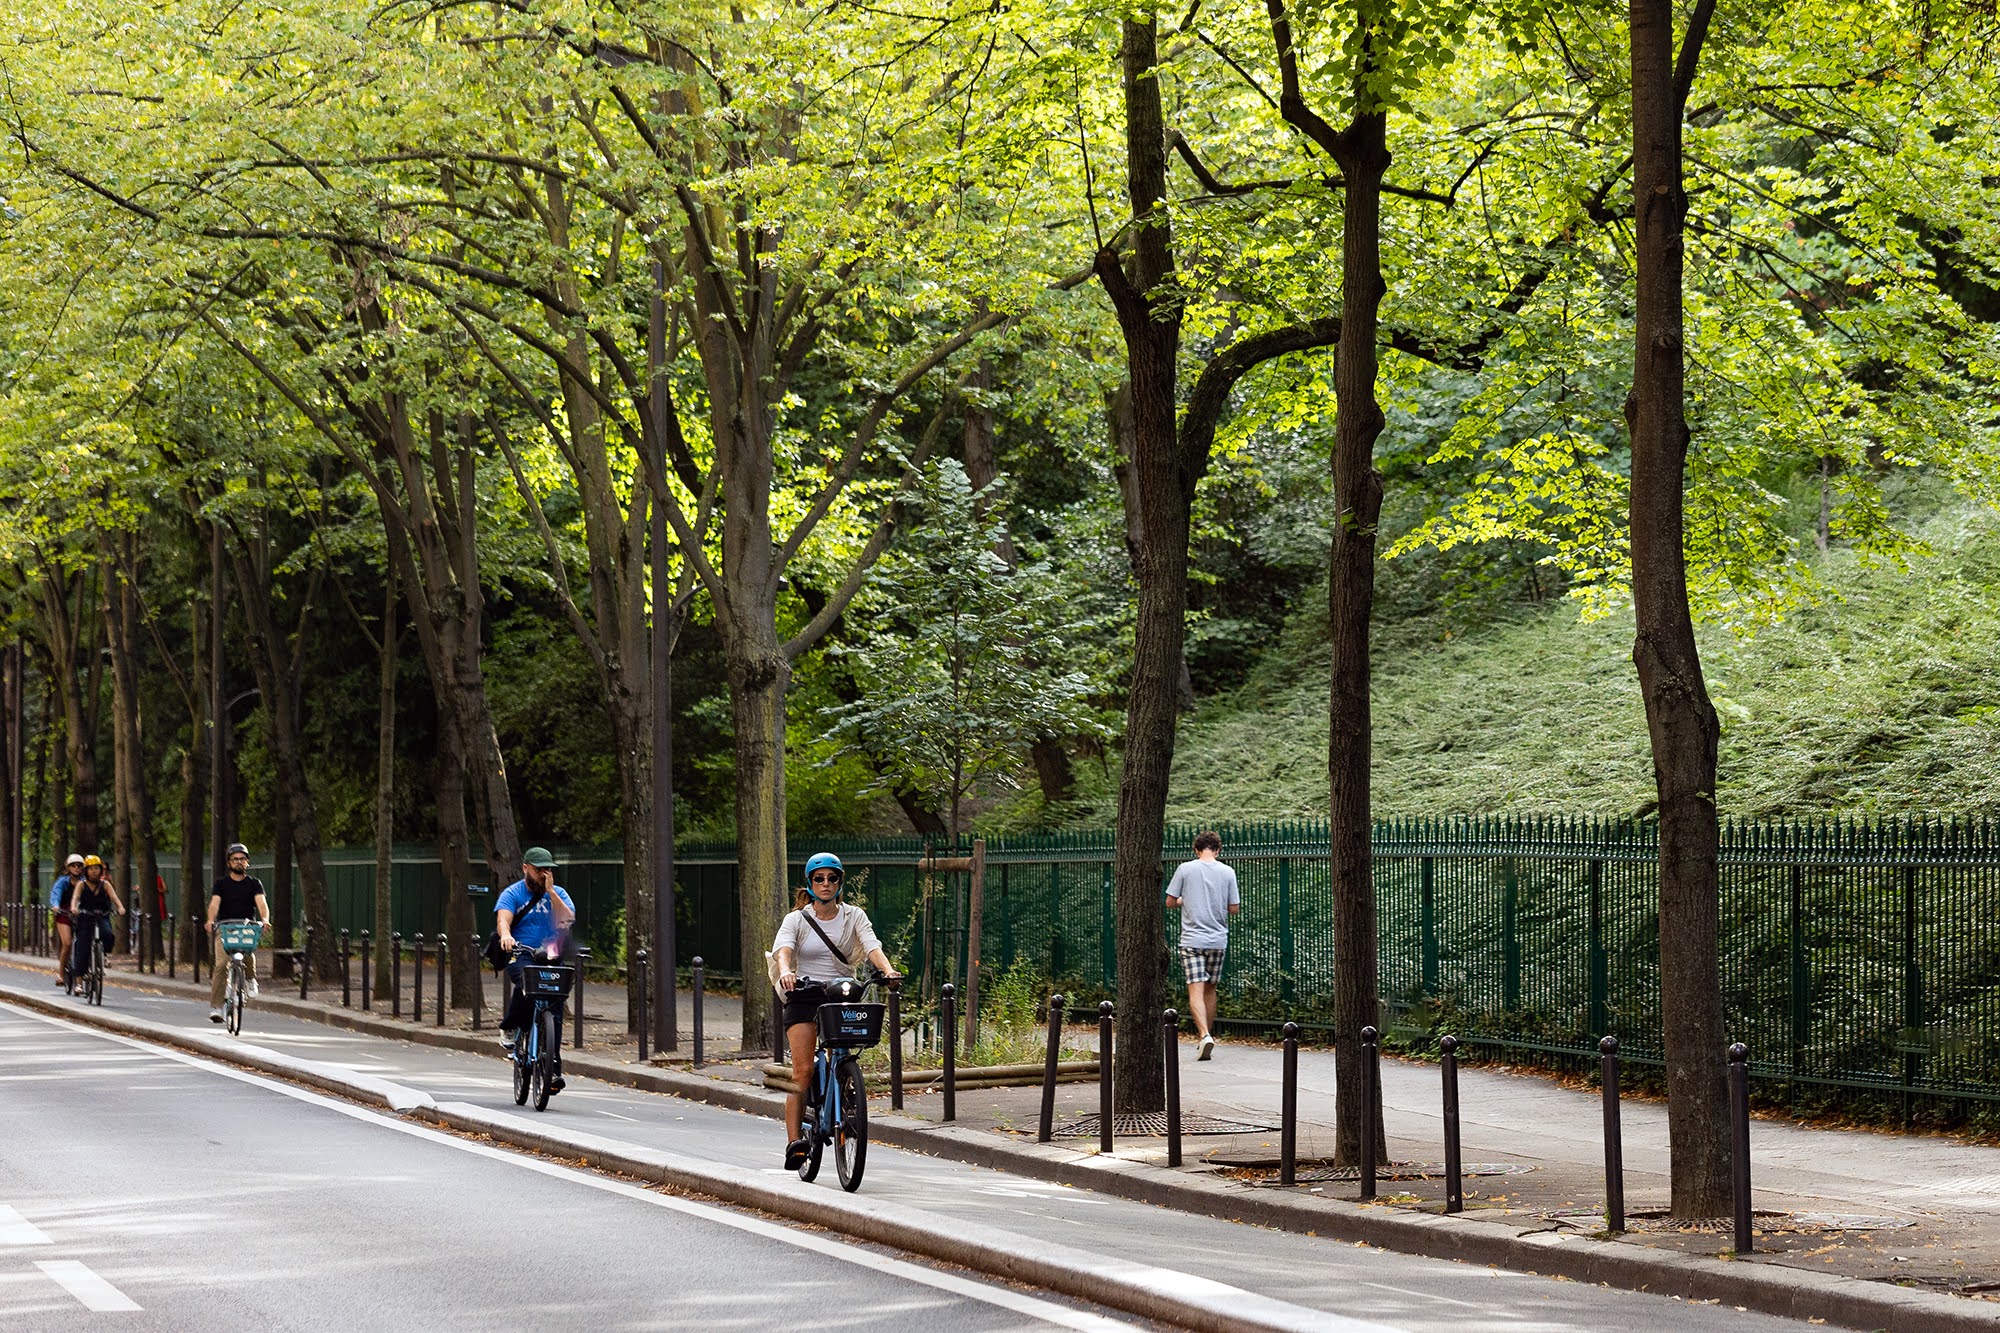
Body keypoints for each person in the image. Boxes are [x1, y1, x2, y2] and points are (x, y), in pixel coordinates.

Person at [770, 852, 899, 1170]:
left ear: (840, 882)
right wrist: (786, 970)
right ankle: (795, 1142)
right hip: (804, 994)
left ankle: (844, 1088)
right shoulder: (797, 919)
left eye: (832, 878)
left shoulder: (854, 916)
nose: (825, 884)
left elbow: (871, 946)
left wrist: (888, 970)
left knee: (843, 1055)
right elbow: (783, 950)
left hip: (842, 994)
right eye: (819, 878)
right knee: (802, 1071)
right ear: (810, 883)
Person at [494, 846, 576, 1084]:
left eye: (548, 869)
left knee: (555, 1008)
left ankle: (552, 1070)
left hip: (550, 953)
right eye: (539, 869)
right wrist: (506, 937)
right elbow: (503, 920)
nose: (543, 874)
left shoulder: (558, 893)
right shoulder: (513, 893)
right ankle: (510, 1026)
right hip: (520, 952)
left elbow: (567, 920)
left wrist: (551, 892)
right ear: (525, 868)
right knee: (525, 984)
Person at [1164, 830, 1240, 1061]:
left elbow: (1169, 901)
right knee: (1210, 988)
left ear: (1196, 850)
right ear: (1218, 850)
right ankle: (1209, 1034)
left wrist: (1185, 899)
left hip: (1192, 940)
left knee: (1194, 987)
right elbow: (1234, 907)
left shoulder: (1185, 869)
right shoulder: (1228, 872)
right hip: (1218, 940)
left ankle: (1204, 1034)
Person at [206, 842, 271, 1022]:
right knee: (221, 966)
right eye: (235, 860)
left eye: (242, 859)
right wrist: (211, 920)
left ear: (247, 862)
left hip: (247, 926)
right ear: (229, 863)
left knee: (248, 951)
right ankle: (217, 1007)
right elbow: (214, 904)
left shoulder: (254, 884)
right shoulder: (221, 884)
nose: (239, 862)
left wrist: (264, 919)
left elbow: (262, 904)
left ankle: (250, 978)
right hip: (226, 928)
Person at [67, 855, 125, 985]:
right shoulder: (81, 884)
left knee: (108, 934)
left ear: (100, 870)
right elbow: (75, 898)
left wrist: (120, 907)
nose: (94, 871)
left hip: (101, 915)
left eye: (97, 868)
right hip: (85, 916)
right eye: (91, 869)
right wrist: (73, 908)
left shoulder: (105, 884)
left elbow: (114, 897)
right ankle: (79, 982)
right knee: (82, 947)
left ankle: (103, 954)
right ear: (86, 871)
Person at [49, 853, 83, 989]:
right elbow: (55, 894)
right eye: (73, 866)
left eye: (79, 866)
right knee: (67, 943)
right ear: (68, 868)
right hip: (64, 913)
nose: (76, 868)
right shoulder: (63, 881)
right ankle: (61, 974)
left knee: (83, 944)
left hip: (80, 913)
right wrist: (55, 906)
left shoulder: (85, 881)